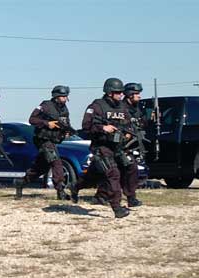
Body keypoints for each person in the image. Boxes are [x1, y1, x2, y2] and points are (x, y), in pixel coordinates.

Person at [72, 78, 132, 218]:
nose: (121, 95)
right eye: (118, 92)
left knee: (93, 177)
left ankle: (75, 187)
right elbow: (86, 126)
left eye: (121, 92)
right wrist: (103, 128)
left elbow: (128, 124)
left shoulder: (122, 107)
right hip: (101, 147)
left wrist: (128, 133)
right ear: (109, 92)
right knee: (113, 174)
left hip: (117, 147)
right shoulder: (97, 106)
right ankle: (117, 208)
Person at [14, 85, 73, 200]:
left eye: (66, 96)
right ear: (56, 97)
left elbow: (66, 124)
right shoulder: (45, 106)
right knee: (56, 161)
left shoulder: (64, 109)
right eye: (63, 96)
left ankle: (21, 182)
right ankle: (60, 190)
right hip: (43, 140)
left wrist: (67, 132)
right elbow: (32, 119)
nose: (65, 99)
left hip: (53, 140)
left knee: (41, 168)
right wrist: (47, 123)